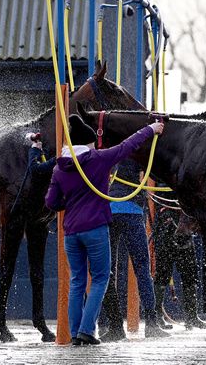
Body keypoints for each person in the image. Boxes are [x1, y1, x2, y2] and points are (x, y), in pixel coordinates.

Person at [44, 114, 164, 346]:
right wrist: (151, 128)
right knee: (100, 279)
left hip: (71, 232)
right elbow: (128, 145)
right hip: (95, 229)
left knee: (78, 281)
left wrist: (69, 204)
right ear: (87, 143)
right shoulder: (98, 159)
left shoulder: (60, 168)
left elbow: (51, 202)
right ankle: (87, 331)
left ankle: (76, 332)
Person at [98, 160, 171, 342]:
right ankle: (152, 324)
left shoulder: (110, 151)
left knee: (107, 271)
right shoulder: (137, 151)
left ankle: (108, 324)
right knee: (143, 270)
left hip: (108, 212)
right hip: (132, 212)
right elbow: (156, 174)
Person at [152, 206, 206, 330]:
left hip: (184, 221)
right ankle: (157, 317)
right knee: (162, 276)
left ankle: (192, 318)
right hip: (166, 221)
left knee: (190, 274)